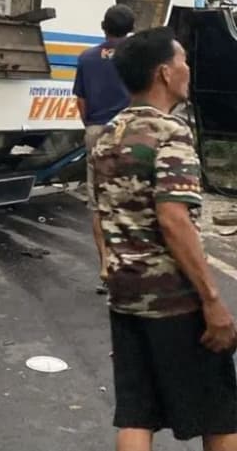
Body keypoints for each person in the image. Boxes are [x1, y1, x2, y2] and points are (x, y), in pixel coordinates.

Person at [92, 26, 237, 450]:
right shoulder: (170, 134)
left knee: (137, 413)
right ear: (163, 73)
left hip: (125, 292)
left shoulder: (108, 136)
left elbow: (99, 215)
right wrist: (211, 300)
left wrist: (113, 268)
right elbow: (174, 219)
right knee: (220, 413)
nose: (187, 68)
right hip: (173, 297)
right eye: (182, 61)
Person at [74, 4, 135, 285]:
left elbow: (81, 101)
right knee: (133, 197)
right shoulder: (138, 56)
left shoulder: (86, 58)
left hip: (97, 130)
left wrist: (92, 127)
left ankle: (105, 265)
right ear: (131, 28)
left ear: (103, 26)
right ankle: (132, 263)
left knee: (99, 204)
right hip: (131, 128)